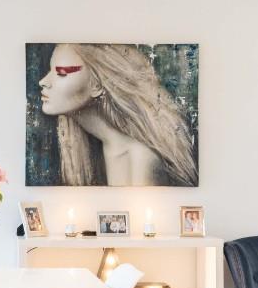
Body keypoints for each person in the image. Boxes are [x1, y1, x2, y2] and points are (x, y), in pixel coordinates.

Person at [36, 43, 197, 186]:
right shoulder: (90, 152)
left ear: (96, 85)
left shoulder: (141, 157)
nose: (43, 82)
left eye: (61, 73)